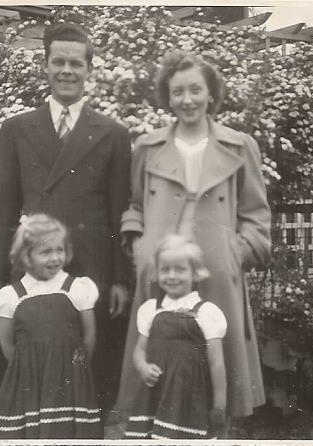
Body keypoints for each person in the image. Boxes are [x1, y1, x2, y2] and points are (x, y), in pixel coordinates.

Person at [0, 22, 131, 412]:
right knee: (34, 375)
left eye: (75, 63)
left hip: (91, 268)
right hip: (35, 267)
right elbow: (5, 206)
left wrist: (119, 278)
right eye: (58, 61)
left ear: (88, 69)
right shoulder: (16, 129)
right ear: (44, 66)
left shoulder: (112, 133)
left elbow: (119, 212)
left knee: (90, 376)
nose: (67, 70)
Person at [116, 50, 272, 427]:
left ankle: (216, 430)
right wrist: (139, 246)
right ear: (167, 97)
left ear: (211, 93)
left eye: (195, 90)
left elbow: (257, 216)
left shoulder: (239, 145)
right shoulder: (147, 147)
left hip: (214, 274)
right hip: (161, 274)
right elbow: (134, 205)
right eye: (177, 92)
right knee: (155, 369)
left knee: (217, 369)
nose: (187, 100)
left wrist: (235, 252)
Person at [0, 214, 100, 438]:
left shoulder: (76, 288)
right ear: (26, 256)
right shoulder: (12, 296)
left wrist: (76, 366)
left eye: (59, 250)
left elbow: (89, 335)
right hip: (30, 379)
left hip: (70, 379)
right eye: (45, 252)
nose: (55, 258)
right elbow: (7, 343)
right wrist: (27, 367)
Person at [124, 234, 227, 439]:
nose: (172, 276)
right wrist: (143, 367)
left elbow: (216, 363)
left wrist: (219, 405)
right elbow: (139, 350)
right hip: (156, 391)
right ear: (157, 273)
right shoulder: (151, 309)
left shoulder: (206, 312)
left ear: (195, 274)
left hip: (189, 394)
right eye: (165, 269)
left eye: (180, 269)